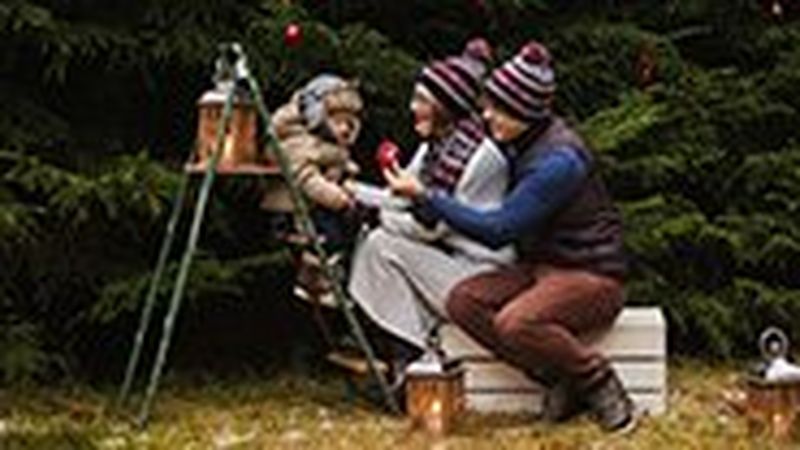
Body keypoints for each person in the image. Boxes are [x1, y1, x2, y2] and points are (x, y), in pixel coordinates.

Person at [384, 41, 635, 432]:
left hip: (592, 276)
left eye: (497, 109)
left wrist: (428, 197)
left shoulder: (558, 161)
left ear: (525, 111)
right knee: (464, 301)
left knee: (516, 323)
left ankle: (598, 381)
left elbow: (499, 230)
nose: (486, 115)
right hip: (542, 268)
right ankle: (556, 378)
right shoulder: (520, 142)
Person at [348, 38, 514, 370]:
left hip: (480, 273)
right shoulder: (434, 148)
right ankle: (407, 347)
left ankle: (411, 349)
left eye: (422, 100)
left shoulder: (479, 157)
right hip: (448, 260)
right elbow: (400, 196)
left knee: (381, 245)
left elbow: (429, 228)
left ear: (446, 105)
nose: (412, 107)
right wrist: (352, 191)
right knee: (379, 244)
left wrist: (372, 212)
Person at [261, 74, 363, 296]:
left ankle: (325, 278)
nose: (345, 129)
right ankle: (314, 279)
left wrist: (347, 171)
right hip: (296, 211)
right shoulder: (297, 142)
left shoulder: (323, 140)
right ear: (318, 116)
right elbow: (307, 178)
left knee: (351, 227)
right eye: (338, 122)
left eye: (349, 122)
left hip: (316, 205)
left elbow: (333, 160)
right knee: (332, 236)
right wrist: (336, 197)